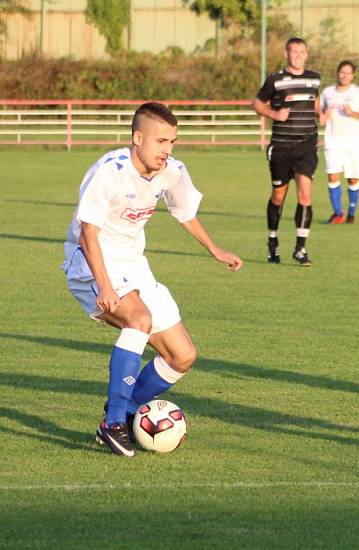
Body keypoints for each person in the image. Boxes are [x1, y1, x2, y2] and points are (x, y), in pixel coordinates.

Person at [62, 102, 243, 457]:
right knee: (139, 319)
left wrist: (215, 250)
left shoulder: (172, 171)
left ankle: (126, 410)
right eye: (161, 141)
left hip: (134, 263)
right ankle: (114, 424)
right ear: (137, 138)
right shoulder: (110, 171)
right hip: (90, 260)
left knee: (182, 355)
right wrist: (107, 286)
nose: (167, 150)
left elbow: (185, 212)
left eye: (172, 141)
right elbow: (88, 232)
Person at [251, 37, 321, 266]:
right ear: (286, 53)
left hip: (306, 145)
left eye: (302, 51)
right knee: (278, 195)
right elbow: (258, 104)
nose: (298, 55)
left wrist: (322, 114)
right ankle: (273, 242)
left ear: (307, 54)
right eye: (294, 51)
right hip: (281, 147)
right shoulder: (275, 80)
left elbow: (315, 102)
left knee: (305, 194)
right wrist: (273, 114)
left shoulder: (314, 78)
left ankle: (301, 249)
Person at [320, 60, 359, 224]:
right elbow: (320, 115)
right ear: (337, 73)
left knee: (353, 179)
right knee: (332, 176)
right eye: (342, 72)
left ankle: (351, 213)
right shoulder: (327, 93)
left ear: (353, 75)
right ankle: (338, 213)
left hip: (353, 144)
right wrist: (323, 116)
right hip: (332, 141)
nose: (345, 75)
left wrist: (352, 113)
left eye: (348, 73)